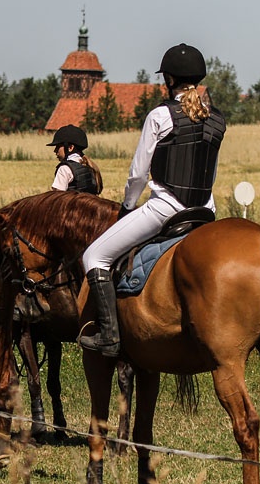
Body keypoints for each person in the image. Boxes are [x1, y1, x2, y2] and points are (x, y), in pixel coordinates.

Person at [79, 43, 226, 357]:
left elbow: (137, 174)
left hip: (167, 207)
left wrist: (127, 207)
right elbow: (209, 171)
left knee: (94, 257)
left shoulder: (161, 115)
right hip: (205, 210)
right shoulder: (217, 119)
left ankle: (109, 336)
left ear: (169, 79)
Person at [48, 124, 103, 194]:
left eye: (58, 147)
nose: (55, 151)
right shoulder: (88, 166)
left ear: (70, 147)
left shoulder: (64, 169)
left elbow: (57, 198)